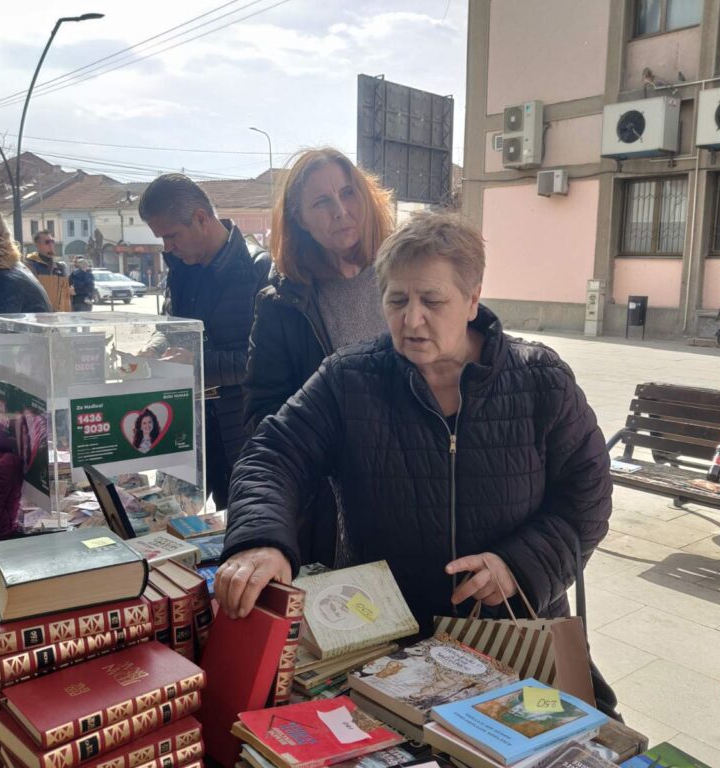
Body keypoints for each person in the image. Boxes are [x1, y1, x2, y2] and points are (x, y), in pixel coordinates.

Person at [217, 212, 613, 642]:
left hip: (515, 633)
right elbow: (272, 454)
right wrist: (262, 538)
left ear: (472, 298)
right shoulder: (348, 379)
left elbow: (587, 494)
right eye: (397, 300)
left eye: (432, 300)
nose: (412, 319)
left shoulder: (540, 379)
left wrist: (518, 566)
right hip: (385, 636)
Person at [242, 147, 395, 566]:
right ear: (299, 218)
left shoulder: (402, 273)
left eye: (349, 194)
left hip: (415, 493)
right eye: (322, 202)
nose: (341, 211)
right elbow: (264, 414)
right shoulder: (282, 304)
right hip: (334, 509)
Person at [138, 173, 271, 511]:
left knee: (241, 524)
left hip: (241, 430)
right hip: (186, 423)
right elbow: (170, 325)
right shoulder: (182, 267)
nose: (167, 247)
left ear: (200, 218)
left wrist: (196, 363)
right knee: (174, 517)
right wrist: (154, 346)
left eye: (171, 236)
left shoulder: (259, 269)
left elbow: (262, 362)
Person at [25, 231, 71, 311]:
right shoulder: (31, 267)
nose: (51, 245)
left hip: (60, 318)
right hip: (41, 317)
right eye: (47, 242)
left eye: (52, 241)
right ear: (38, 245)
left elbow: (67, 296)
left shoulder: (61, 267)